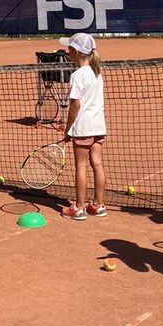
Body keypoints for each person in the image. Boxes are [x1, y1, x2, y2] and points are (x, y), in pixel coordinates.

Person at [59, 33, 107, 220]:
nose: (66, 51)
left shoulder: (77, 75)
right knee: (97, 163)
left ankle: (79, 208)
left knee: (81, 165)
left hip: (83, 127)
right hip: (98, 127)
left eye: (69, 48)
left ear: (76, 52)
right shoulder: (97, 72)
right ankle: (98, 205)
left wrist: (68, 128)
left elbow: (75, 106)